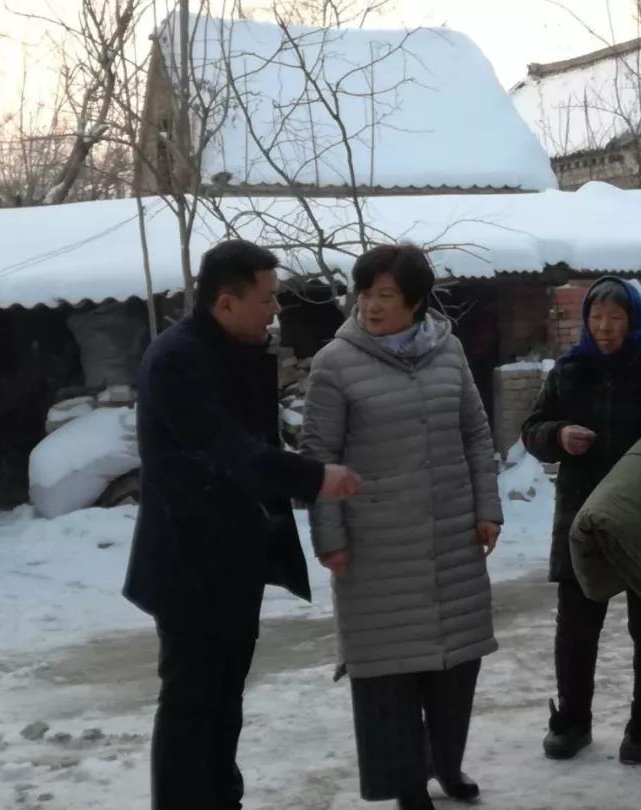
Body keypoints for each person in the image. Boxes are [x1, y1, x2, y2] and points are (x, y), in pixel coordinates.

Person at [123, 239, 362, 810]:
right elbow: (228, 449)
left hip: (232, 558)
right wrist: (314, 478)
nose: (275, 310)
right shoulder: (177, 360)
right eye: (267, 298)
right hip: (188, 562)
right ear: (226, 302)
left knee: (224, 697)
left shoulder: (233, 349)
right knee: (191, 703)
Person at [299, 243, 503, 810]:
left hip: (452, 535)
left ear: (416, 301)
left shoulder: (449, 350)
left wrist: (487, 508)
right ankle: (408, 786)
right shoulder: (335, 364)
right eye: (364, 293)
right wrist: (330, 539)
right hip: (377, 547)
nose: (370, 305)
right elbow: (318, 457)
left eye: (385, 295)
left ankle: (447, 763)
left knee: (456, 664)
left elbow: (475, 434)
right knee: (389, 672)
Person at [521, 277, 641, 765]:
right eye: (596, 317)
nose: (604, 327)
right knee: (576, 626)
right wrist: (558, 435)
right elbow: (531, 429)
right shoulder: (569, 371)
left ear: (634, 319)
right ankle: (572, 720)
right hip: (582, 515)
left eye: (616, 317)